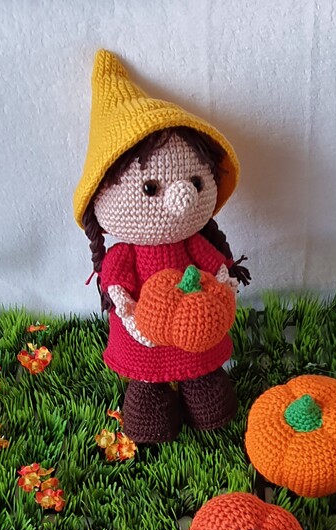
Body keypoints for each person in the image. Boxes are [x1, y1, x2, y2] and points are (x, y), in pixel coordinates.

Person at [73, 50, 249, 443]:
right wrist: (131, 316)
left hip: (196, 329)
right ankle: (151, 420)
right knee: (146, 385)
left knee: (204, 379)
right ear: (100, 195)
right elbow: (117, 288)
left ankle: (208, 408)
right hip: (143, 332)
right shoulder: (125, 255)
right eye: (151, 188)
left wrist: (223, 287)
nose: (182, 198)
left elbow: (218, 268)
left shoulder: (194, 244)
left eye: (196, 182)